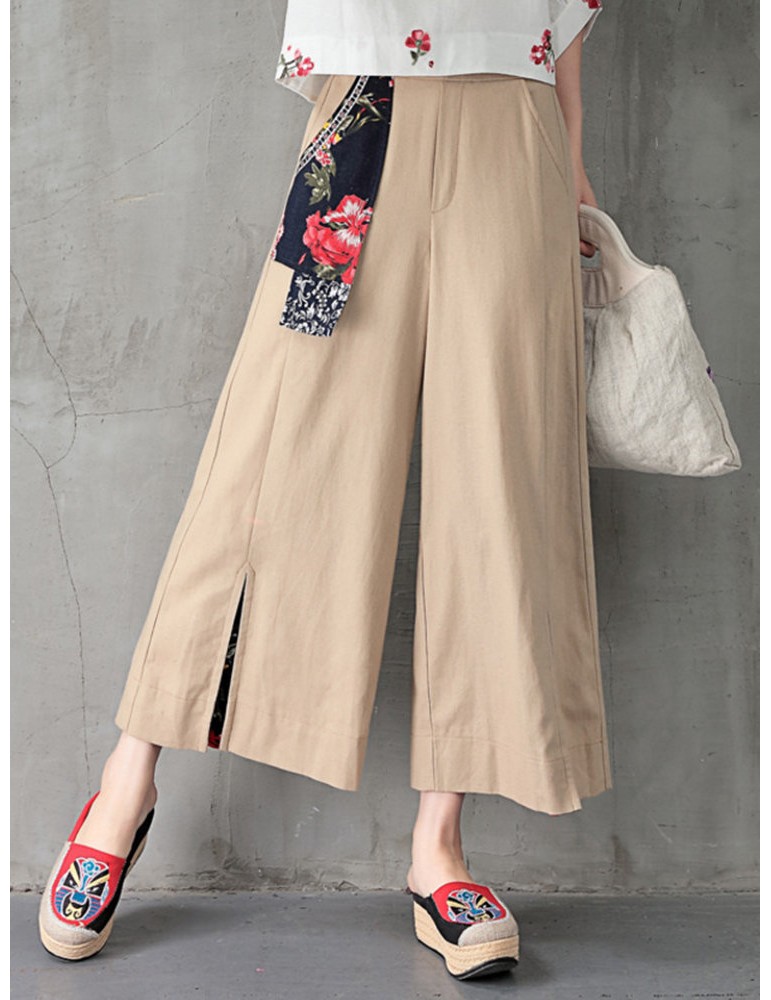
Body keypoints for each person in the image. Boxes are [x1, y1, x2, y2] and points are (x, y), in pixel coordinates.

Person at [38, 0, 612, 980]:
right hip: (365, 122)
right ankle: (125, 784)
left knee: (502, 483)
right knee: (267, 460)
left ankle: (438, 848)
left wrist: (574, 158)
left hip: (516, 133)